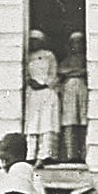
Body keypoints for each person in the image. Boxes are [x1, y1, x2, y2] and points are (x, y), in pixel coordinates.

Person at [24, 34, 62, 165]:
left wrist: (45, 84)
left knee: (47, 123)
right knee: (33, 124)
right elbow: (26, 74)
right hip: (33, 93)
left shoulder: (49, 55)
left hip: (47, 91)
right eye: (32, 41)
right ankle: (31, 154)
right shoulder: (27, 56)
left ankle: (46, 154)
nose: (35, 43)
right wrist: (32, 83)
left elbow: (54, 74)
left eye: (37, 41)